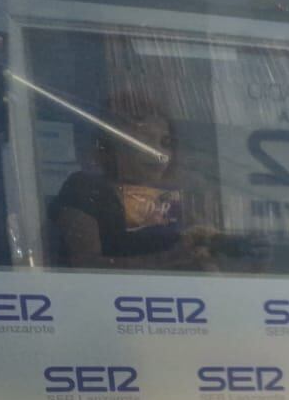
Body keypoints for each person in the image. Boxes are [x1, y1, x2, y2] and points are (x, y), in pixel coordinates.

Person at [49, 95, 218, 270]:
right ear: (114, 144)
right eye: (144, 141)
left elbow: (202, 244)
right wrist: (169, 259)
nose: (158, 153)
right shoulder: (84, 189)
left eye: (165, 142)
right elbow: (85, 266)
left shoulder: (169, 198)